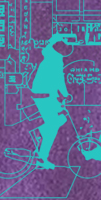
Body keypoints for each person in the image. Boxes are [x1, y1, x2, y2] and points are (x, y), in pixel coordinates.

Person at [30, 33, 73, 169]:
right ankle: (41, 157)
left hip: (41, 94)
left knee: (61, 119)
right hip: (45, 96)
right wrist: (65, 95)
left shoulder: (49, 54)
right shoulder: (56, 60)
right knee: (54, 124)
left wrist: (61, 97)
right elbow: (59, 81)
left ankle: (41, 131)